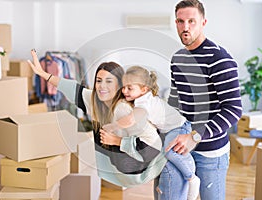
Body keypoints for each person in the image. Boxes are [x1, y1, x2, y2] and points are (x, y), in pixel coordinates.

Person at [27, 49, 167, 187]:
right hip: (141, 172)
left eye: (109, 81)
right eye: (99, 81)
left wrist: (118, 141)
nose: (102, 86)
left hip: (162, 165)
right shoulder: (95, 101)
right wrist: (43, 74)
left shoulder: (122, 110)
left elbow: (153, 145)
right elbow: (71, 88)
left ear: (119, 85)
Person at [162, 0, 243, 200]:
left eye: (192, 21)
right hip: (181, 147)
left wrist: (194, 137)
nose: (185, 27)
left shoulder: (219, 58)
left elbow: (233, 110)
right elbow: (176, 100)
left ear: (203, 22)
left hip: (210, 152)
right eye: (180, 21)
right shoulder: (177, 58)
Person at [102, 65, 200, 200]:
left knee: (169, 150)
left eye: (130, 88)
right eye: (123, 87)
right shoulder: (143, 99)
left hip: (178, 127)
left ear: (144, 89)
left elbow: (131, 120)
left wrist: (113, 126)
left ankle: (192, 178)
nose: (124, 91)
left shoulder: (144, 102)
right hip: (170, 129)